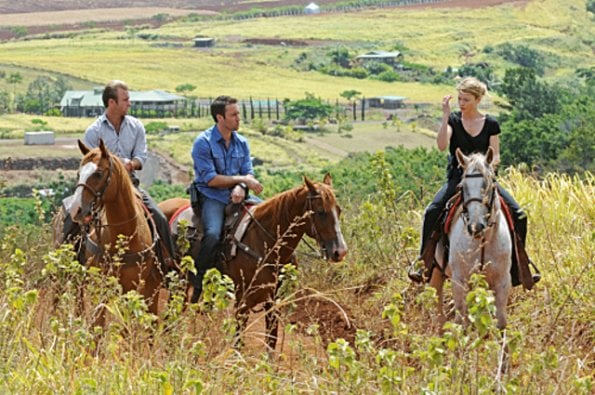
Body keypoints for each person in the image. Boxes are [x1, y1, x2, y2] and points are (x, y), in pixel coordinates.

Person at [408, 77, 540, 287]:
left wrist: (483, 168)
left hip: (485, 181)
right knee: (432, 211)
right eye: (459, 99)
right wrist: (443, 117)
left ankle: (519, 267)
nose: (461, 103)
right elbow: (442, 145)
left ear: (478, 100)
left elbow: (495, 155)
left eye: (466, 99)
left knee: (519, 214)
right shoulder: (453, 120)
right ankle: (423, 264)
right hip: (458, 180)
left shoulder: (491, 124)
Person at [62, 80, 175, 267]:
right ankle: (68, 265)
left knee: (159, 217)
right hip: (99, 187)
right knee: (71, 219)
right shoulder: (94, 131)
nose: (129, 103)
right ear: (111, 103)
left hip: (129, 185)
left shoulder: (136, 126)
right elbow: (91, 166)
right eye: (125, 99)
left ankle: (167, 265)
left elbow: (141, 157)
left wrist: (130, 164)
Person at [189, 95, 263, 303]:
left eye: (238, 114)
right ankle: (199, 279)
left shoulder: (242, 143)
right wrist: (242, 181)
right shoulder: (203, 143)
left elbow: (248, 171)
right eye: (234, 114)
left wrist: (241, 186)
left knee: (266, 219)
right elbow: (210, 179)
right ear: (220, 118)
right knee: (212, 234)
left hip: (238, 196)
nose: (239, 118)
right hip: (212, 196)